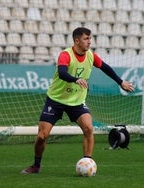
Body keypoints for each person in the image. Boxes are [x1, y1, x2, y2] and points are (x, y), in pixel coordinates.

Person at [21, 27, 134, 174]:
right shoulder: (65, 55)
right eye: (86, 39)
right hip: (56, 100)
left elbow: (105, 67)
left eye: (90, 38)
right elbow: (62, 73)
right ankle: (36, 165)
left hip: (77, 102)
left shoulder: (91, 56)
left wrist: (120, 82)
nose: (89, 42)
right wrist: (76, 79)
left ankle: (87, 163)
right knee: (42, 136)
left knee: (88, 128)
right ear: (77, 40)